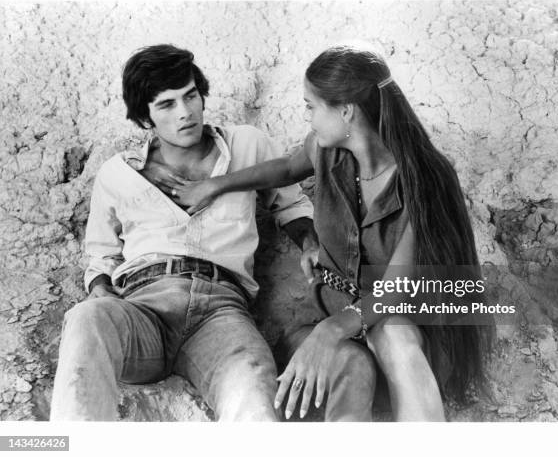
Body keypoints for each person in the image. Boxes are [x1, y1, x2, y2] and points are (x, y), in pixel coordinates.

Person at [158, 44, 495, 421]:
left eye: (311, 107)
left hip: (409, 327)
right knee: (352, 365)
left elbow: (397, 291)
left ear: (346, 111)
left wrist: (330, 331)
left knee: (392, 333)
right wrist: (216, 185)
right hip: (343, 322)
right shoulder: (326, 150)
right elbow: (285, 169)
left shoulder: (423, 178)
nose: (309, 118)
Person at [50, 44, 350, 421]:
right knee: (86, 317)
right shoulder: (117, 174)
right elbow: (100, 255)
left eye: (190, 96)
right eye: (166, 105)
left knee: (256, 397)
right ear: (145, 118)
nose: (185, 112)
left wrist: (308, 240)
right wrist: (101, 290)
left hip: (222, 314)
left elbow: (290, 204)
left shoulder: (246, 144)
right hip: (144, 309)